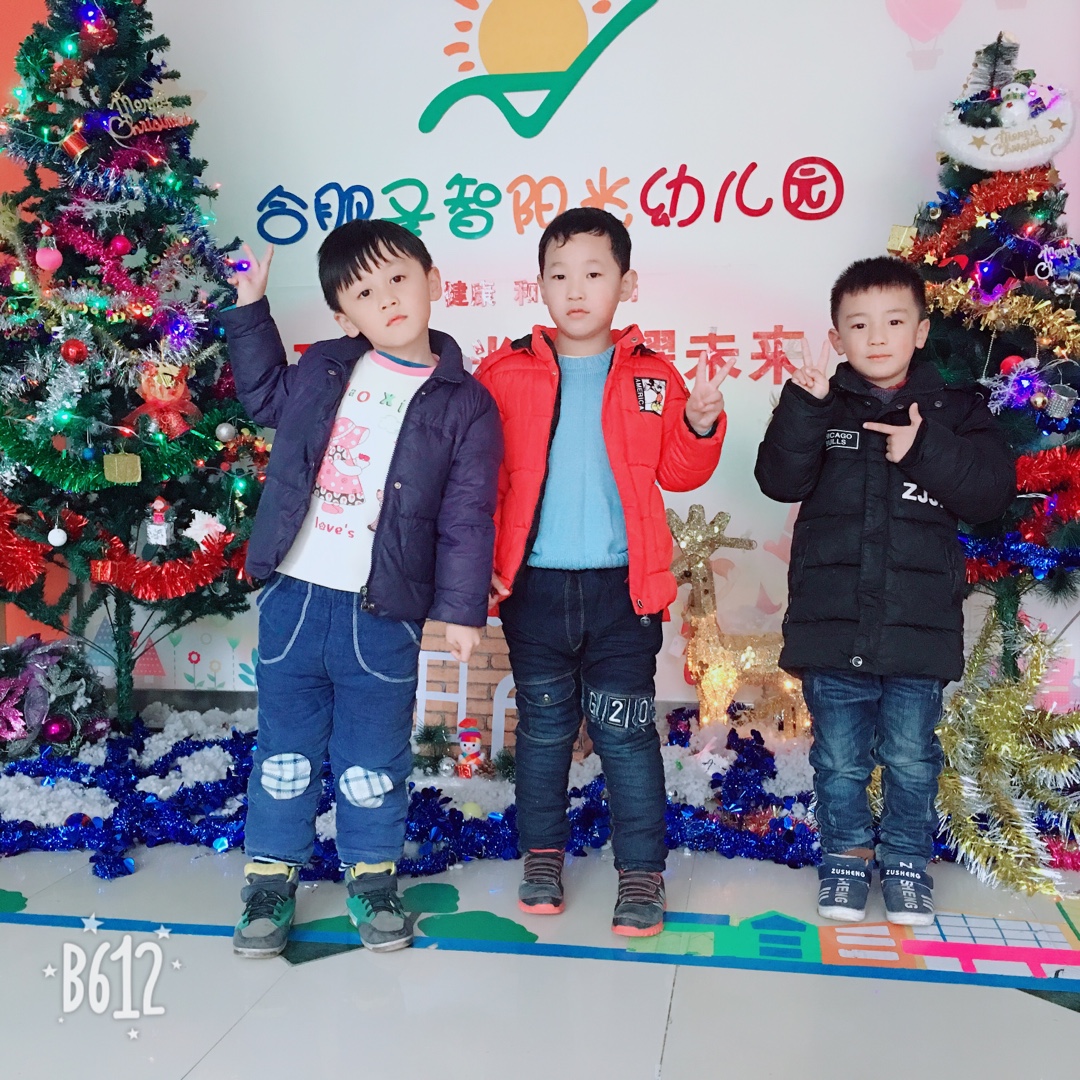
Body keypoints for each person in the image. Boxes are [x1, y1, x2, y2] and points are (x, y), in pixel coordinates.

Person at [223, 220, 502, 956]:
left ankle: (372, 877)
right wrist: (250, 308)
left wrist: (462, 611)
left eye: (399, 279)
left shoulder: (467, 404)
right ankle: (269, 880)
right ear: (345, 317)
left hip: (384, 611)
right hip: (294, 594)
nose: (388, 300)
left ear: (433, 281)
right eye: (365, 293)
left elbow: (468, 513)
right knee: (284, 750)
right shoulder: (324, 367)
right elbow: (262, 398)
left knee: (373, 754)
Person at [477, 207, 731, 936]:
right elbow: (478, 479)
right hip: (534, 589)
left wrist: (701, 424)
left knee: (626, 734)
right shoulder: (505, 372)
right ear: (540, 286)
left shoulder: (652, 374)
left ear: (627, 283)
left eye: (594, 273)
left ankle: (641, 871)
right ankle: (541, 858)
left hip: (624, 592)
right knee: (544, 732)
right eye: (559, 275)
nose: (576, 289)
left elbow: (679, 472)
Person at [755, 256, 1015, 925]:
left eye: (894, 322)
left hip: (916, 629)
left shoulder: (956, 411)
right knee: (839, 760)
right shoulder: (822, 403)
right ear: (836, 337)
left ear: (921, 331)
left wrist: (924, 449)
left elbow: (989, 494)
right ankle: (844, 857)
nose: (877, 337)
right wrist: (805, 407)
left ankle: (905, 860)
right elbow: (779, 479)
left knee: (911, 758)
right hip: (833, 624)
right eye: (859, 324)